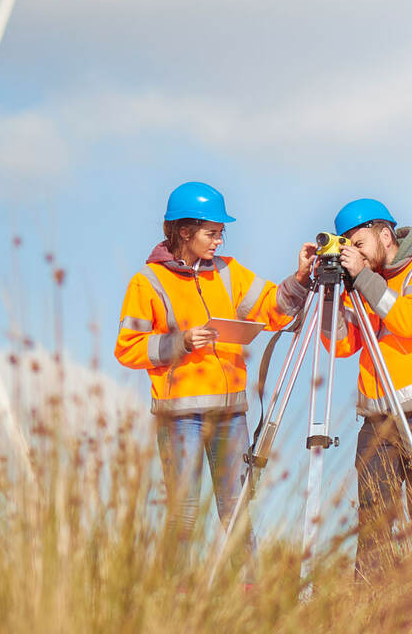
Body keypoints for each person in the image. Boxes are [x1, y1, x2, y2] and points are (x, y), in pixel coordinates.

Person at [115, 181, 315, 572]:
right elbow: (127, 348)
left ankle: (250, 592)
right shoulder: (148, 282)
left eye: (222, 232)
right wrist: (181, 342)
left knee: (237, 511)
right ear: (184, 231)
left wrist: (301, 277)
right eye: (212, 232)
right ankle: (178, 595)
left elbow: (273, 308)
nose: (219, 241)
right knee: (185, 515)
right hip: (180, 418)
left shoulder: (229, 273)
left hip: (230, 415)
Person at [324, 198, 412, 581]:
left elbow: (407, 322)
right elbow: (342, 346)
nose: (354, 254)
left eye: (358, 244)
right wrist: (332, 293)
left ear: (385, 235)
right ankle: (368, 613)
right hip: (376, 421)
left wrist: (363, 278)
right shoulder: (362, 282)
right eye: (347, 248)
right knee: (373, 520)